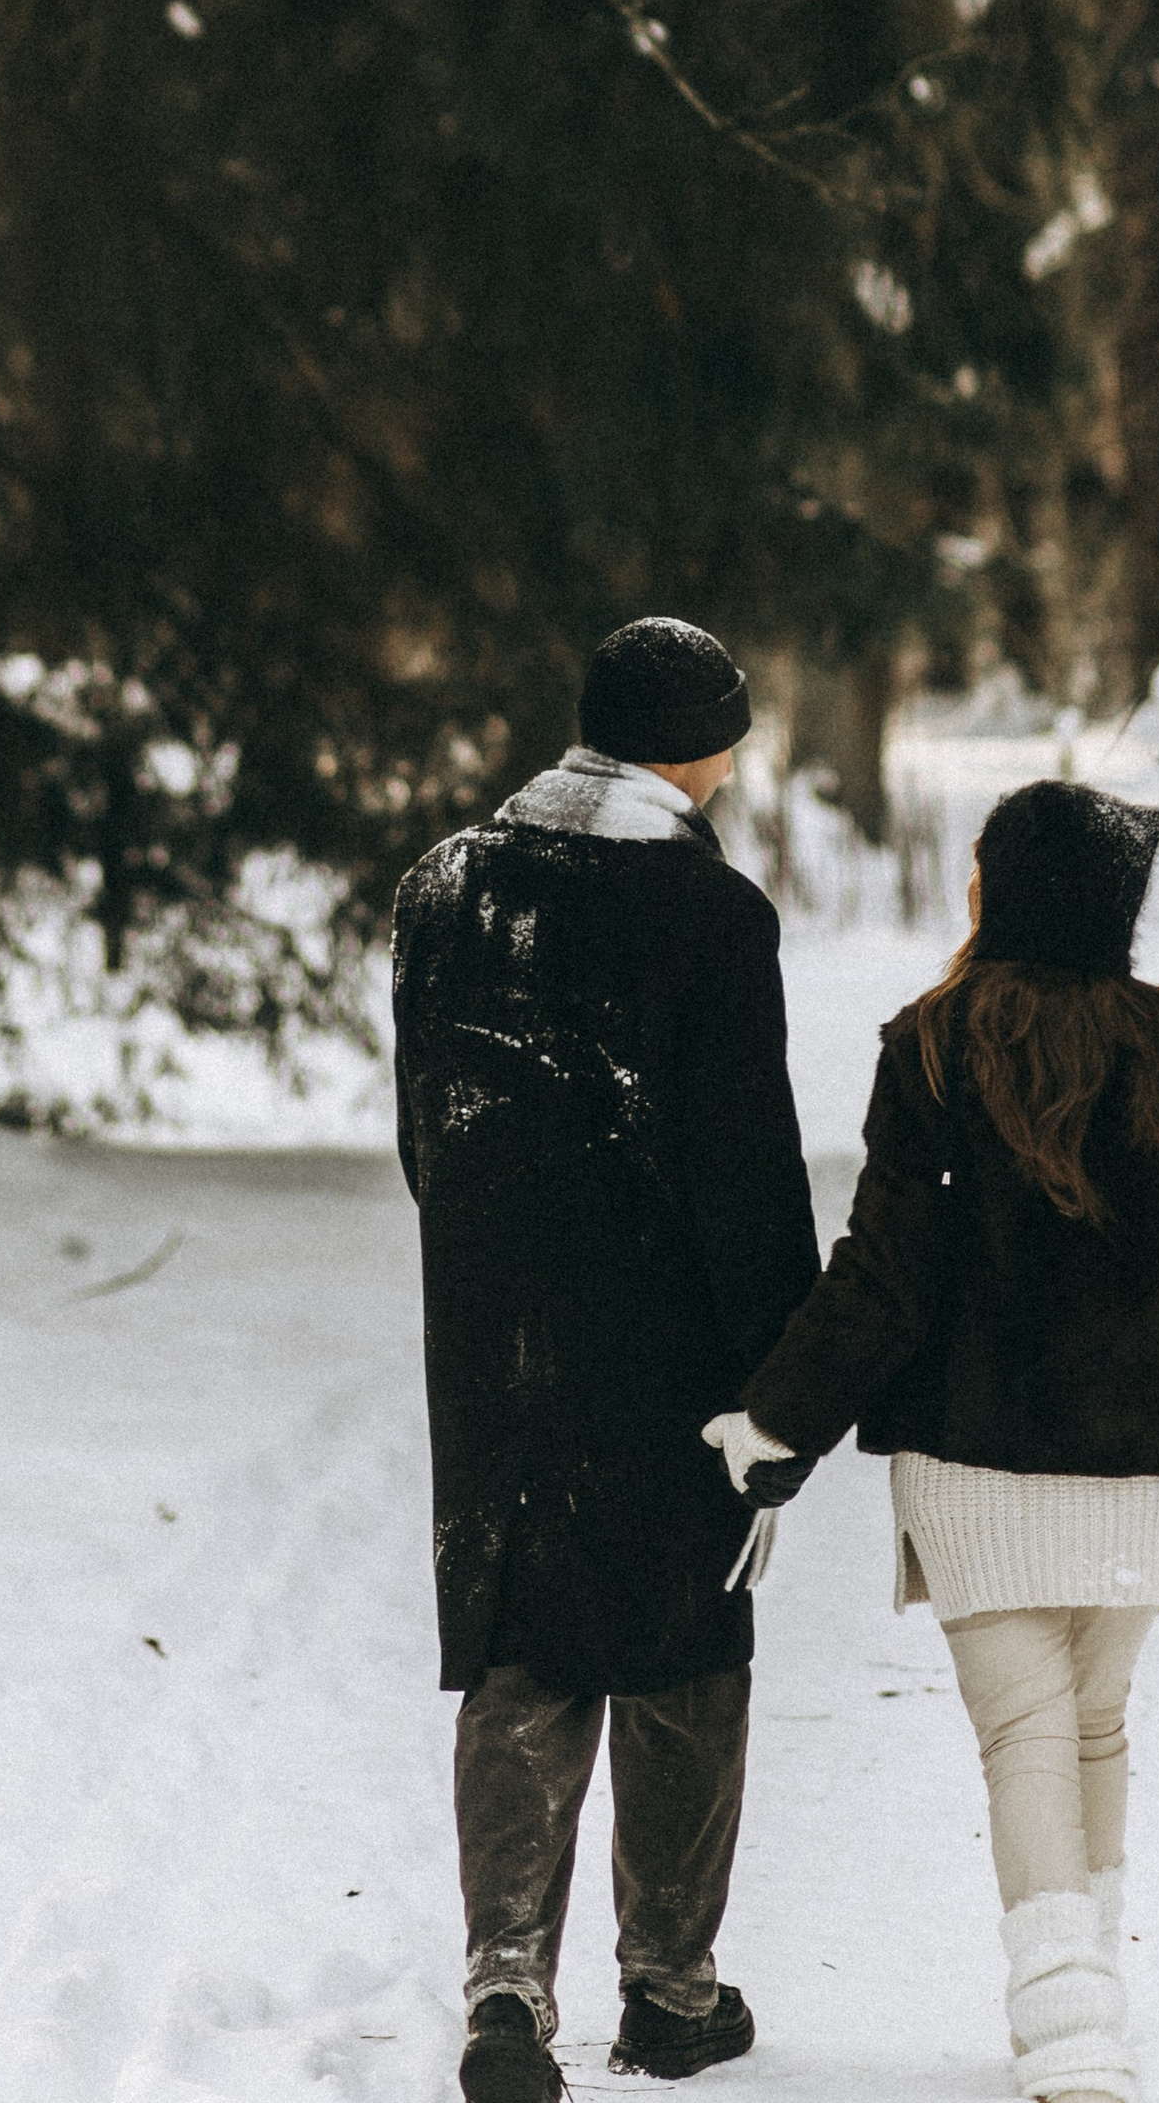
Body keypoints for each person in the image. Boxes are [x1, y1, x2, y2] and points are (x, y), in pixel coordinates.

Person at [705, 780, 1159, 2103]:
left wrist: (777, 1419)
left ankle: (1069, 2032)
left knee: (1028, 1734)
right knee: (1089, 1726)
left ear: (997, 891)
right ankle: (1085, 2001)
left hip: (979, 1461)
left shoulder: (938, 1049)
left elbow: (886, 1273)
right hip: (1149, 1472)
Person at [393, 618, 820, 2103]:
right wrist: (785, 1379)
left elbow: (427, 1138)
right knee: (686, 1646)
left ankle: (506, 1983)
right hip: (668, 1341)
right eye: (728, 742)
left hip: (495, 1335)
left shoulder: (444, 889)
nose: (732, 769)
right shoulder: (711, 917)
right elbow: (747, 1172)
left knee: (523, 1642)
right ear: (695, 752)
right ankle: (671, 1990)